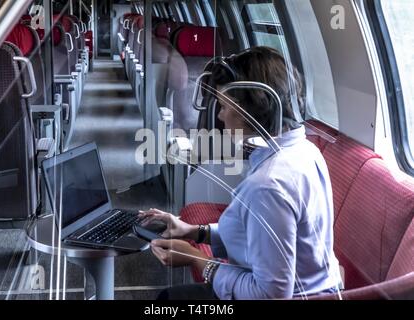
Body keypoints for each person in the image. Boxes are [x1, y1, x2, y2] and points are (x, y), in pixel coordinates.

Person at [140, 46, 342, 300]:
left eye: (224, 106)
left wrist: (197, 259)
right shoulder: (306, 150)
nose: (221, 116)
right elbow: (259, 236)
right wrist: (194, 231)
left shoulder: (268, 185)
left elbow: (270, 295)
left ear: (252, 109)